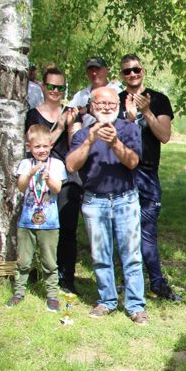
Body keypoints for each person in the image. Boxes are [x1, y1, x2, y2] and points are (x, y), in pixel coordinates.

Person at [66, 86, 148, 324]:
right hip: (94, 202)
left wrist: (114, 142)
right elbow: (71, 165)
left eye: (111, 103)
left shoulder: (130, 129)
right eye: (101, 103)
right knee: (101, 255)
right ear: (92, 106)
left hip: (125, 199)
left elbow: (133, 162)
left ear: (118, 106)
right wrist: (90, 140)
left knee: (131, 256)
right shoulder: (82, 134)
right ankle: (107, 300)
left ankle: (135, 306)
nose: (106, 107)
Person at [117, 54, 182, 302]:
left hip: (147, 174)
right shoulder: (116, 100)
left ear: (143, 71)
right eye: (127, 71)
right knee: (123, 232)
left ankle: (157, 283)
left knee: (147, 232)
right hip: (122, 173)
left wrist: (146, 112)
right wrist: (129, 118)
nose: (132, 74)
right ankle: (127, 280)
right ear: (122, 75)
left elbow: (164, 136)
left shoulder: (159, 100)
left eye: (135, 69)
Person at [25, 67, 83, 295]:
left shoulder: (70, 112)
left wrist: (71, 125)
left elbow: (75, 145)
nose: (56, 91)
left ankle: (66, 278)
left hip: (67, 177)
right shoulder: (33, 115)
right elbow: (38, 146)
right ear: (43, 86)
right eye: (51, 86)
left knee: (67, 229)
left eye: (60, 87)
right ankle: (36, 272)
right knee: (37, 226)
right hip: (40, 178)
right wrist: (59, 126)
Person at [8, 124, 67, 311]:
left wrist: (48, 178)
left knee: (49, 261)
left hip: (50, 222)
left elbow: (57, 189)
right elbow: (21, 187)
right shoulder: (25, 164)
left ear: (51, 145)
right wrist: (30, 174)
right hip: (27, 221)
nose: (41, 150)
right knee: (23, 260)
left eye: (45, 146)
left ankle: (52, 295)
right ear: (29, 147)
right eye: (37, 147)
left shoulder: (56, 164)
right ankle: (19, 292)